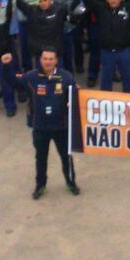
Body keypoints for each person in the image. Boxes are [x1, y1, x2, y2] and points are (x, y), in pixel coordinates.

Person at [19, 48, 79, 200]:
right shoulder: (31, 77)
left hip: (61, 127)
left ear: (56, 60)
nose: (48, 62)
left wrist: (77, 96)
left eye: (51, 59)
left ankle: (71, 182)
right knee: (41, 158)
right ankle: (40, 185)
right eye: (45, 59)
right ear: (40, 60)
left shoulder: (66, 77)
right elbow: (14, 83)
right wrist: (7, 65)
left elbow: (77, 96)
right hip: (40, 127)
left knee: (67, 157)